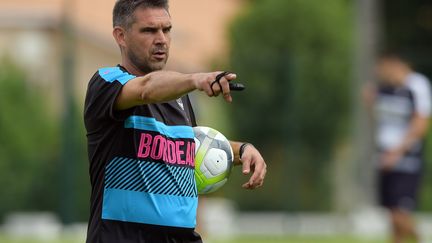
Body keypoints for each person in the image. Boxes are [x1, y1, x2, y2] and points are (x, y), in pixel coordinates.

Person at [83, 0, 267, 243]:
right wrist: (195, 79)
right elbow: (145, 89)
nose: (161, 39)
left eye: (166, 29)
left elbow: (193, 143)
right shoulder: (107, 83)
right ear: (121, 36)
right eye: (149, 30)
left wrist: (242, 150)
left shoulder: (179, 98)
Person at [366, 51, 431, 243]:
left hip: (407, 158)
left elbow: (420, 123)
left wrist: (398, 152)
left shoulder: (417, 85)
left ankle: (421, 238)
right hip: (385, 156)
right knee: (391, 216)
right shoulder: (385, 89)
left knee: (399, 213)